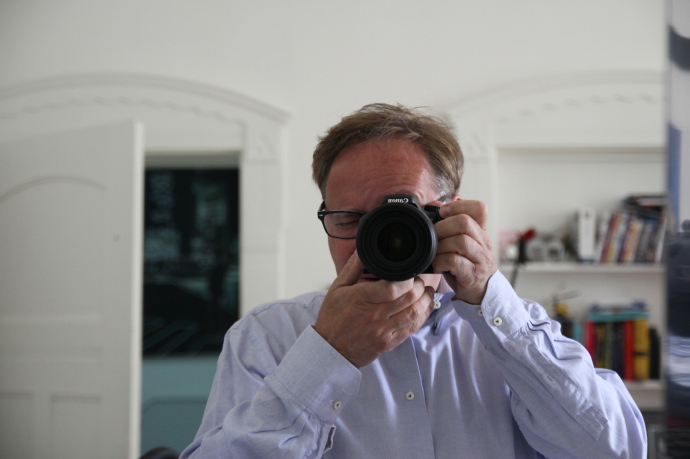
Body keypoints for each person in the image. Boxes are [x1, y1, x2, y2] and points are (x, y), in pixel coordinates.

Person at [181, 103, 647, 458]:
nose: (370, 241)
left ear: (451, 214)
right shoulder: (267, 337)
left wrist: (490, 298)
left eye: (394, 219)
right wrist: (326, 356)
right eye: (349, 219)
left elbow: (616, 450)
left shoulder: (513, 331)